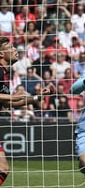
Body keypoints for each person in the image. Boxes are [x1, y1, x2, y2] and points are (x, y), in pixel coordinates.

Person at [0, 37, 50, 185]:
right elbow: (12, 98)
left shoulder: (5, 73)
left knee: (3, 169)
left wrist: (36, 97)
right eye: (11, 47)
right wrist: (12, 96)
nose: (15, 49)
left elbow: (11, 103)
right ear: (1, 54)